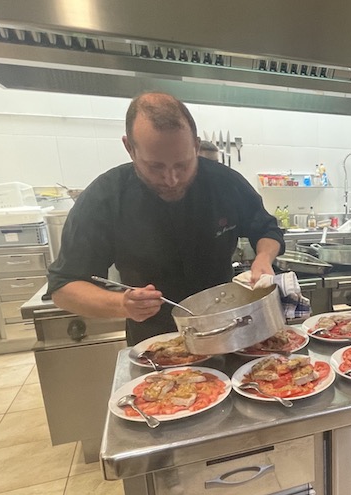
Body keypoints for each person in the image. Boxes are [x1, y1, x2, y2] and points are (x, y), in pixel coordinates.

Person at [47, 92, 284, 344]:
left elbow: (267, 229)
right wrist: (122, 304)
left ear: (195, 145)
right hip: (155, 343)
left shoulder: (224, 182)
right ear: (130, 148)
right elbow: (63, 287)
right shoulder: (106, 197)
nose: (171, 180)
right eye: (156, 167)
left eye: (182, 165)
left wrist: (263, 258)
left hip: (227, 333)